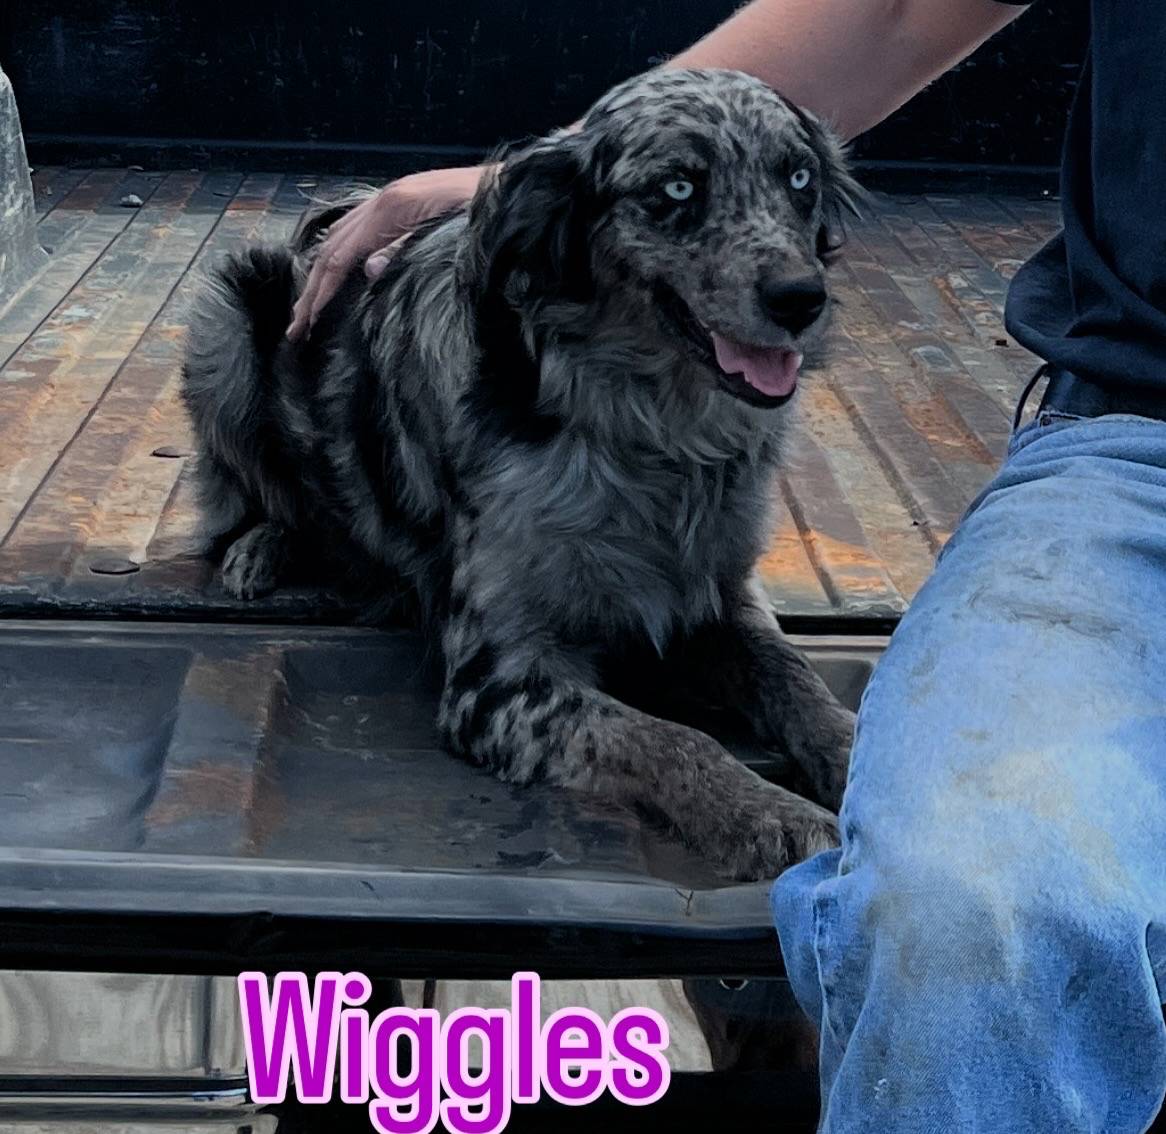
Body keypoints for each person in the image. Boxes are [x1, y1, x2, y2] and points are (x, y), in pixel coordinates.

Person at [290, 1, 1166, 1129]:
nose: (790, 271)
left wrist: (818, 751)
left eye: (795, 198)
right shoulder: (523, 358)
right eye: (677, 205)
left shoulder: (741, 364)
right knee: (966, 909)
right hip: (1139, 430)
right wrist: (498, 181)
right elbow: (492, 689)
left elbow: (715, 619)